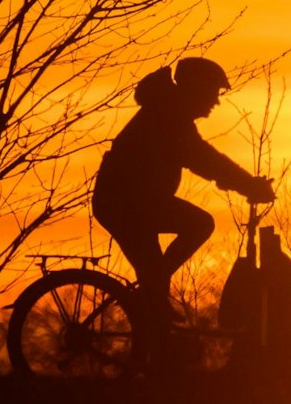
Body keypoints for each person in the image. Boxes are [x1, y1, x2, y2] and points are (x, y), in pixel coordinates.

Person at [92, 57, 275, 318]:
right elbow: (203, 159)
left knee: (155, 284)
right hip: (127, 205)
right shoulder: (167, 116)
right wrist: (249, 185)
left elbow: (203, 159)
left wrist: (247, 184)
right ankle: (151, 300)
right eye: (214, 93)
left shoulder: (167, 111)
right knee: (200, 224)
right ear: (196, 89)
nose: (216, 101)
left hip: (133, 203)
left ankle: (152, 323)